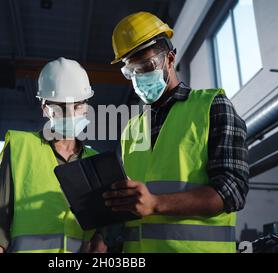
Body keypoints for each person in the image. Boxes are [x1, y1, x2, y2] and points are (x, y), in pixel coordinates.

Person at [102, 12, 249, 253]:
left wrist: (156, 204)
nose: (139, 78)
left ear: (170, 59)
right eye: (131, 72)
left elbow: (232, 190)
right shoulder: (131, 129)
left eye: (146, 66)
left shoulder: (212, 107)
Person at [0, 57, 106, 253]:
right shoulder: (20, 148)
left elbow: (98, 227)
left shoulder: (94, 160)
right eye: (61, 107)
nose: (71, 114)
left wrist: (99, 237)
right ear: (45, 108)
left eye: (78, 106)